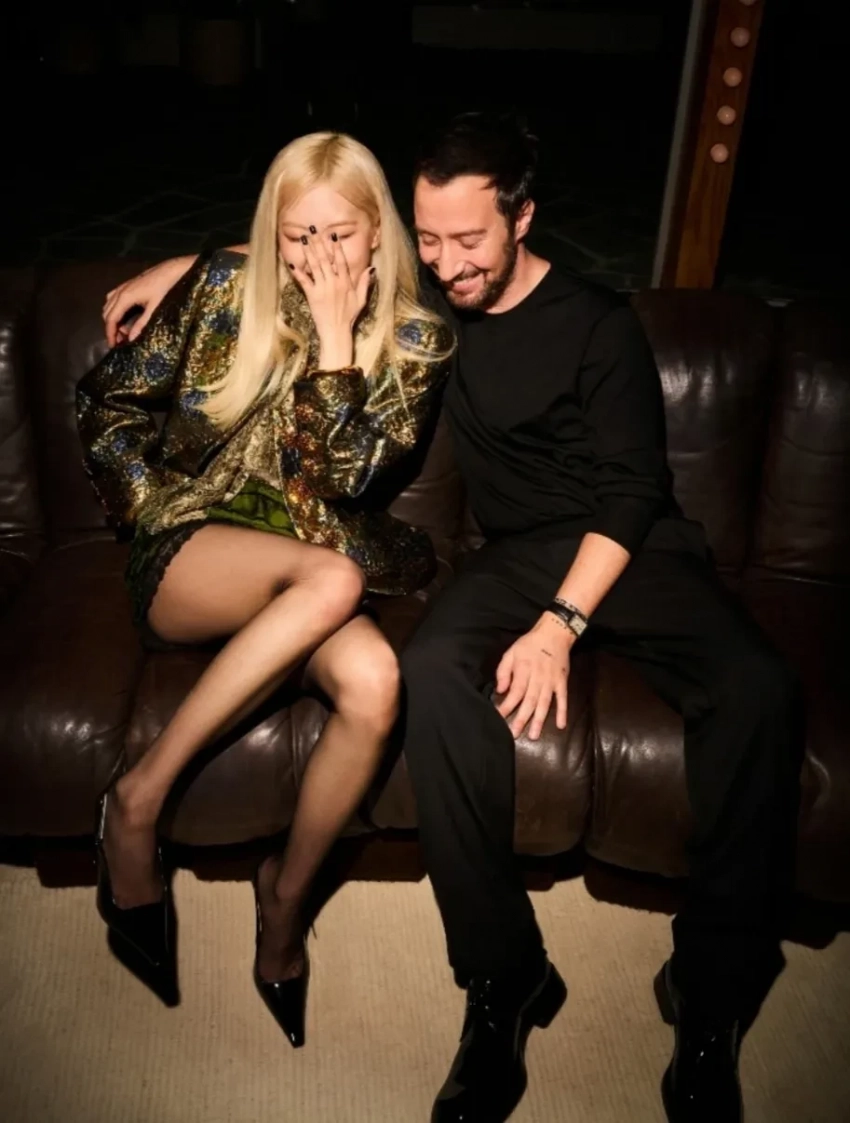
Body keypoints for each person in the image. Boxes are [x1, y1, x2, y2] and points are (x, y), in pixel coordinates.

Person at [102, 113, 802, 1123]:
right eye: (428, 240)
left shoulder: (597, 323)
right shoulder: (429, 294)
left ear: (522, 218)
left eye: (469, 238)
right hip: (510, 557)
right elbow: (309, 243)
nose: (449, 261)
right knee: (427, 672)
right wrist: (179, 264)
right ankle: (502, 976)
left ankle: (712, 994)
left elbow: (632, 492)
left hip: (626, 545)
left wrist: (559, 625)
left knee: (757, 691)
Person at [77, 130, 453, 1045]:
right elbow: (108, 404)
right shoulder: (222, 288)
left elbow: (339, 482)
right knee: (334, 578)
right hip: (196, 547)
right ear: (270, 232)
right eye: (296, 236)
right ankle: (137, 798)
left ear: (379, 232)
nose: (318, 257)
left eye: (340, 235)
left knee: (375, 680)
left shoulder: (417, 338)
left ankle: (284, 897)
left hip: (313, 555)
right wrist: (149, 508)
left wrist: (336, 344)